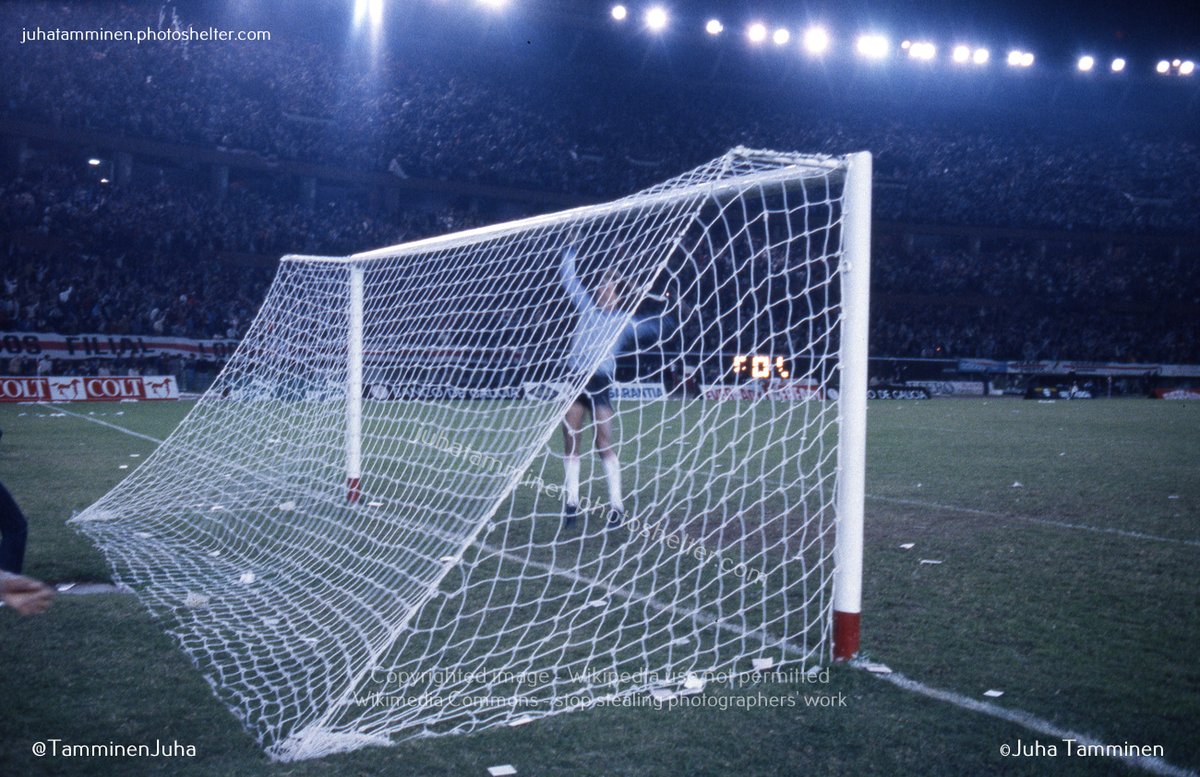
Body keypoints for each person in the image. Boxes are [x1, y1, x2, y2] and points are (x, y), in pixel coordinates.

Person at [558, 245, 632, 530]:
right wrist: (572, 248)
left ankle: (617, 506)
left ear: (617, 294)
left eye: (609, 288)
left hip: (600, 383)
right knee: (571, 439)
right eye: (601, 287)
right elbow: (569, 278)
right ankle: (572, 502)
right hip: (576, 378)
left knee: (603, 442)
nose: (604, 292)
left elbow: (654, 328)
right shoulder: (586, 305)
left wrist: (675, 314)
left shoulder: (623, 322)